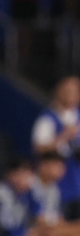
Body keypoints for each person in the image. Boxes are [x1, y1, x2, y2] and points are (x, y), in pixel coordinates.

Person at [31, 75, 80, 220]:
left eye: (75, 91)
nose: (72, 95)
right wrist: (63, 136)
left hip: (77, 184)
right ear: (58, 92)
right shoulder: (48, 118)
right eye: (67, 90)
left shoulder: (78, 116)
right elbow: (38, 148)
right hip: (56, 186)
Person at [31, 151, 80, 236]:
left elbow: (58, 217)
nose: (61, 170)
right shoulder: (31, 186)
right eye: (57, 166)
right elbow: (37, 219)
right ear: (43, 165)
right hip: (33, 230)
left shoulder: (54, 189)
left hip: (52, 229)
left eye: (62, 166)